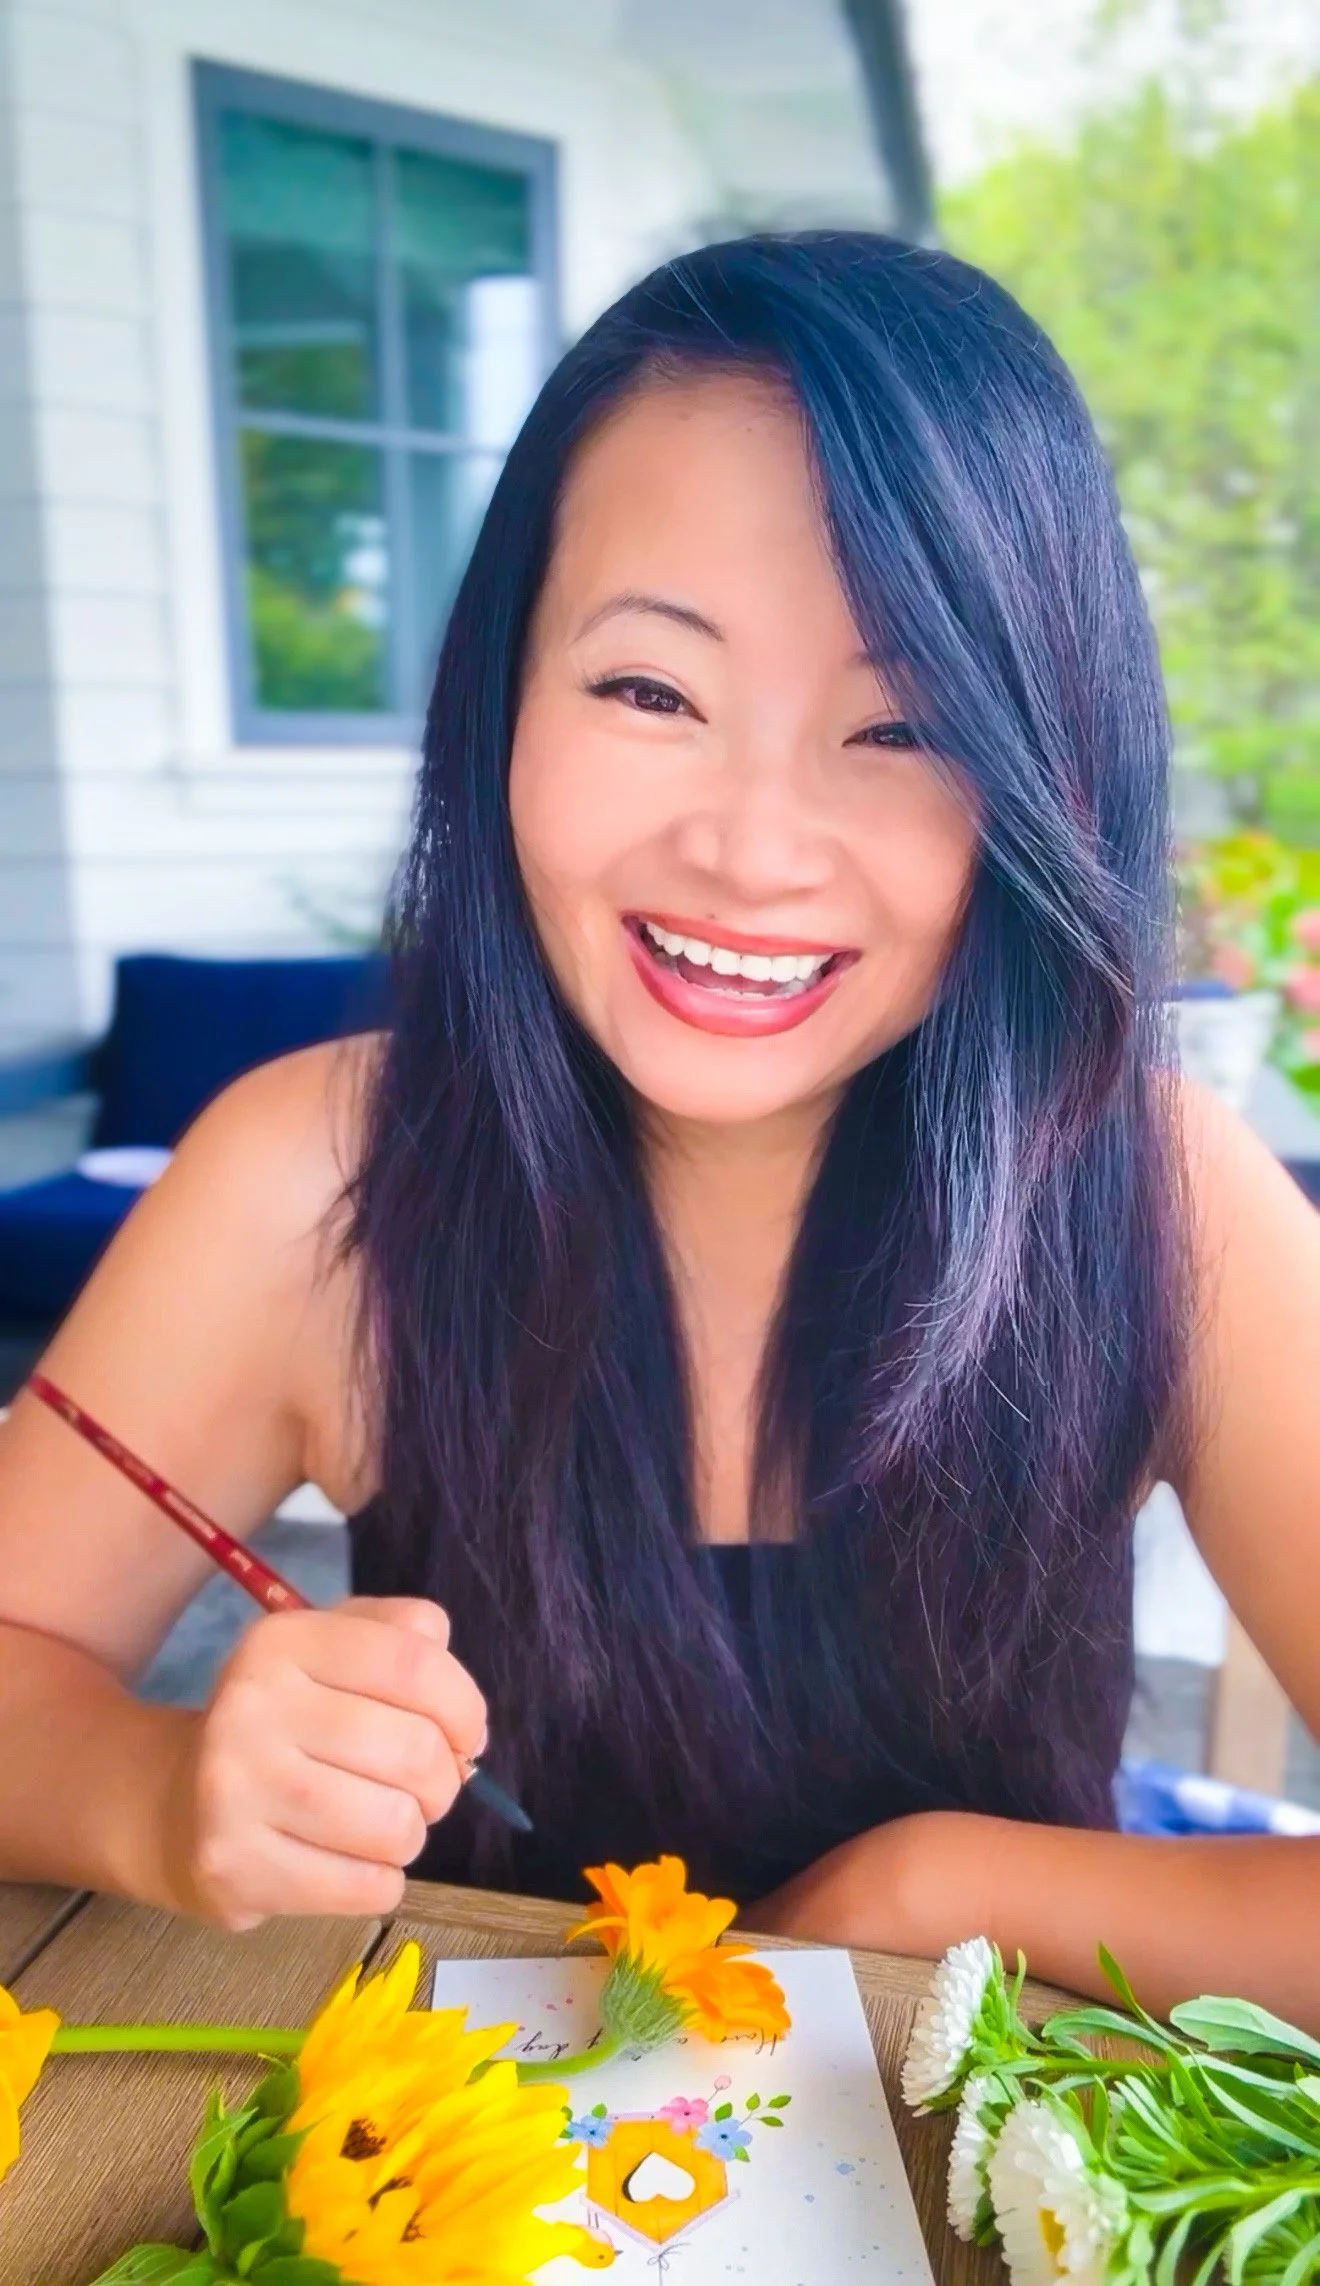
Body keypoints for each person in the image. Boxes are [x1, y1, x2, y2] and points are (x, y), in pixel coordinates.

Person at [1, 234, 1317, 2022]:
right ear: (501, 694)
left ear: (1048, 776)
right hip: (452, 2137)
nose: (753, 850)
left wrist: (936, 1888)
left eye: (903, 726)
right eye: (650, 690)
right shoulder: (314, 1176)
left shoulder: (1164, 1196)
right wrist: (161, 1789)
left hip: (998, 2137)